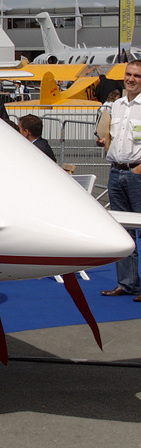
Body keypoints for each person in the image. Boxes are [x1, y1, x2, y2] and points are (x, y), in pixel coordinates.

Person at [99, 60, 141, 301]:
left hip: (137, 173)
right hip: (116, 172)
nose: (131, 79)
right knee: (123, 232)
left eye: (136, 75)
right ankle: (127, 284)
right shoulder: (116, 106)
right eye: (128, 74)